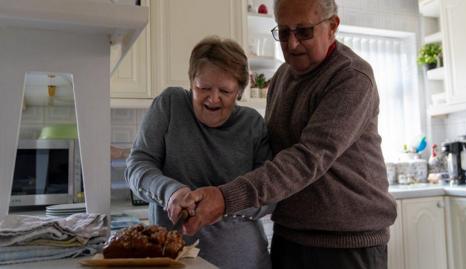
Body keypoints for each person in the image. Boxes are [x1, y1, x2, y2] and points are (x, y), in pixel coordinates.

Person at [179, 0, 397, 268]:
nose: (292, 44)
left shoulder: (351, 76)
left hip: (347, 244)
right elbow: (274, 154)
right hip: (289, 238)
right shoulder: (282, 76)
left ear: (332, 26)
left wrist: (225, 197)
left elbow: (308, 158)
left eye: (304, 31)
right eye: (283, 32)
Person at [125, 36, 273, 269]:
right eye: (203, 87)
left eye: (225, 90)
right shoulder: (170, 105)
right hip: (174, 262)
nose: (213, 98)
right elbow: (137, 165)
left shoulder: (252, 124)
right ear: (191, 81)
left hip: (245, 263)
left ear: (240, 91)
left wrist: (226, 202)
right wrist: (171, 193)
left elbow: (270, 194)